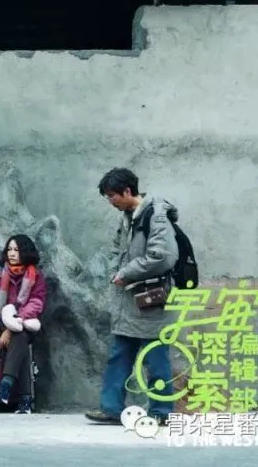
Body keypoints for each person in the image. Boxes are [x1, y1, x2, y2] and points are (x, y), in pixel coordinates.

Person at [85, 167, 178, 425]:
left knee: (155, 358)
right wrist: (114, 270)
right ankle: (111, 408)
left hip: (151, 300)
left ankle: (162, 412)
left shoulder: (156, 216)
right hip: (128, 301)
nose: (110, 201)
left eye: (112, 196)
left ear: (127, 191)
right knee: (119, 355)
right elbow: (117, 249)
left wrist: (126, 272)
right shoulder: (128, 217)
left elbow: (163, 256)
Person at [0, 234, 47, 414]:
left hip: (25, 324)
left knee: (20, 336)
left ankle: (6, 385)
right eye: (9, 249)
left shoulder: (35, 276)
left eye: (16, 249)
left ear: (25, 252)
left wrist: (13, 323)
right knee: (20, 344)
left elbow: (36, 303)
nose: (12, 253)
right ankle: (24, 399)